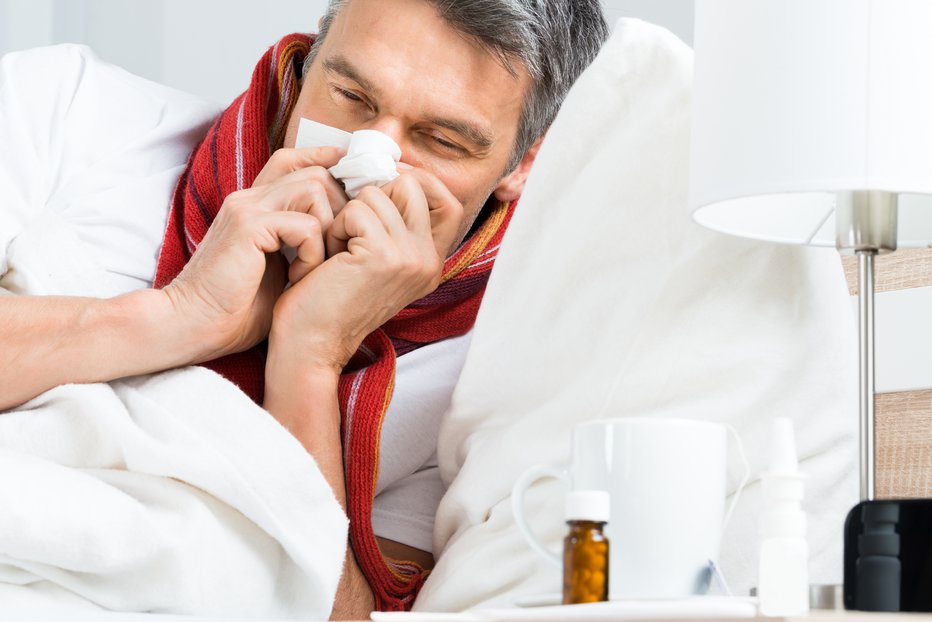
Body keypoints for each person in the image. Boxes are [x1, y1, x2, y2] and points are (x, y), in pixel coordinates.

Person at [0, 0, 608, 618]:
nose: (371, 157)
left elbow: (338, 610)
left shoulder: (487, 387)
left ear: (526, 162)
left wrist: (311, 355)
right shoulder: (64, 110)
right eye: (350, 96)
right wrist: (183, 314)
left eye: (442, 140)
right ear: (310, 59)